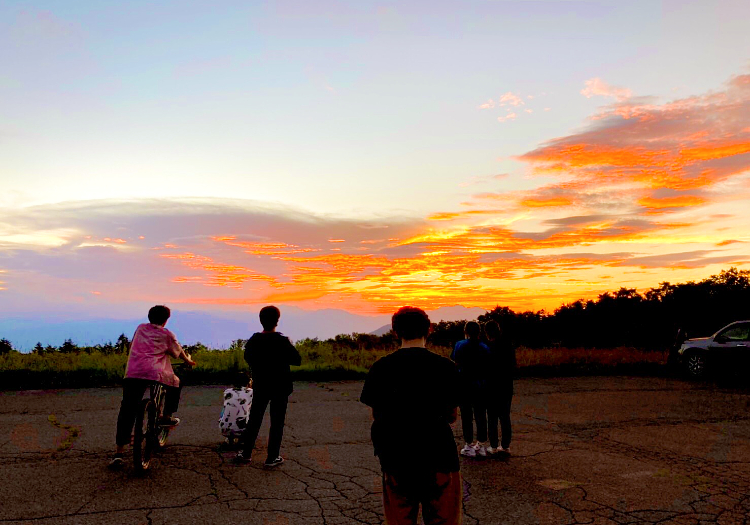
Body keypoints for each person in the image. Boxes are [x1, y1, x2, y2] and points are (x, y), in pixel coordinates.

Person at [361, 306, 462, 525]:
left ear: (395, 332)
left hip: (396, 458)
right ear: (429, 329)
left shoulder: (381, 368)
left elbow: (377, 415)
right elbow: (451, 415)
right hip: (439, 457)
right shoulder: (446, 367)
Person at [109, 305, 196, 469]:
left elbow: (133, 345)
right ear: (166, 319)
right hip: (155, 373)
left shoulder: (140, 328)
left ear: (149, 317)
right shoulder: (167, 334)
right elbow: (178, 352)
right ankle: (167, 415)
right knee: (176, 382)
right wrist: (188, 360)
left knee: (127, 410)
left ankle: (119, 453)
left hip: (133, 372)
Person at [235, 305, 301, 468]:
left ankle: (246, 453)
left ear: (260, 320)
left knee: (255, 419)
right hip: (281, 386)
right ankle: (272, 457)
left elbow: (248, 358)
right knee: (277, 422)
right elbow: (297, 360)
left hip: (261, 385)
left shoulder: (254, 340)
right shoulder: (282, 341)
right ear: (277, 321)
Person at [451, 321, 490, 458]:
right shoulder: (484, 347)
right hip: (480, 384)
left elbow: (455, 362)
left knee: (466, 416)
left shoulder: (460, 345)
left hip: (464, 384)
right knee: (480, 415)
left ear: (466, 331)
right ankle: (481, 444)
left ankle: (468, 444)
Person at [484, 320, 515, 455]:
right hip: (506, 385)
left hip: (491, 386)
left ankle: (493, 446)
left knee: (492, 418)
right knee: (505, 417)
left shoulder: (487, 347)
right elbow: (513, 365)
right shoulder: (508, 345)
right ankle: (506, 445)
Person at [219, 372, 254, 447]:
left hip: (224, 429)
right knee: (247, 410)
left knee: (228, 408)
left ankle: (230, 438)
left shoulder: (227, 392)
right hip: (242, 428)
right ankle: (242, 439)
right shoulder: (251, 392)